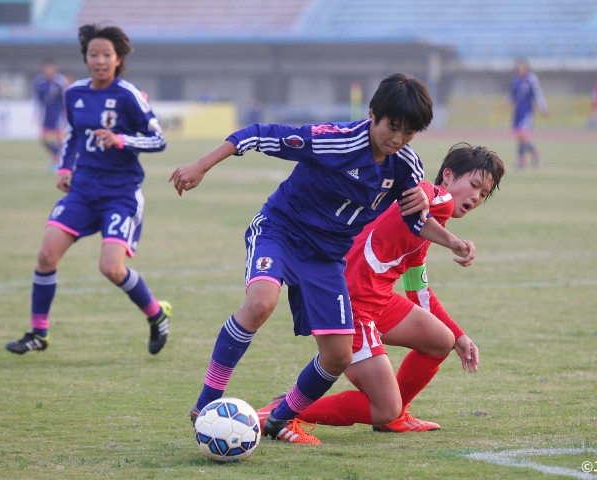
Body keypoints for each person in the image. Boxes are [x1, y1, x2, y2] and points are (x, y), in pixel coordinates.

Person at [170, 73, 473, 444]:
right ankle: (206, 403)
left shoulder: (405, 165)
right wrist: (201, 165)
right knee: (261, 303)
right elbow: (257, 133)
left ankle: (278, 419)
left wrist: (452, 242)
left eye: (408, 132)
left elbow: (415, 221)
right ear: (373, 113)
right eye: (392, 127)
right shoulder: (335, 141)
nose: (397, 139)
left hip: (327, 256)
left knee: (338, 356)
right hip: (281, 230)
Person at [257, 142, 505, 433]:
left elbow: (418, 293)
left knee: (441, 340)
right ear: (448, 176)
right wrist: (452, 239)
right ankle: (282, 411)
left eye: (483, 193)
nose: (476, 197)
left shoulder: (426, 228)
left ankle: (393, 417)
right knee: (385, 406)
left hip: (377, 301)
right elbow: (424, 191)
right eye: (474, 185)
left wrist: (459, 336)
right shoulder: (435, 198)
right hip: (351, 304)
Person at [5, 24, 171, 356]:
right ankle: (38, 333)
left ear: (118, 58)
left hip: (120, 193)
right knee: (46, 255)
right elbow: (74, 136)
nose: (99, 60)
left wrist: (121, 139)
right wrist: (66, 167)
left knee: (111, 268)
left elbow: (158, 140)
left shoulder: (129, 95)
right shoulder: (75, 93)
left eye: (106, 55)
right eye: (93, 54)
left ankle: (156, 314)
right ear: (86, 58)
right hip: (82, 190)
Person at [504, 57, 548, 169]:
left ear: (526, 68)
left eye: (523, 67)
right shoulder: (515, 79)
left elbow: (538, 94)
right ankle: (521, 162)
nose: (521, 69)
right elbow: (513, 94)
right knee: (519, 137)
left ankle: (535, 155)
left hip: (527, 111)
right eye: (519, 67)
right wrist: (507, 100)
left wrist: (543, 108)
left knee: (524, 135)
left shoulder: (531, 79)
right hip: (518, 111)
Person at [32, 58, 68, 173]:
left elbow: (65, 99)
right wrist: (37, 113)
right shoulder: (39, 81)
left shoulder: (60, 82)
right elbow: (38, 99)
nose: (48, 71)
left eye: (51, 69)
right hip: (47, 114)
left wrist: (67, 114)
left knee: (60, 139)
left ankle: (59, 161)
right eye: (46, 69)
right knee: (43, 139)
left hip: (58, 114)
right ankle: (56, 157)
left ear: (54, 69)